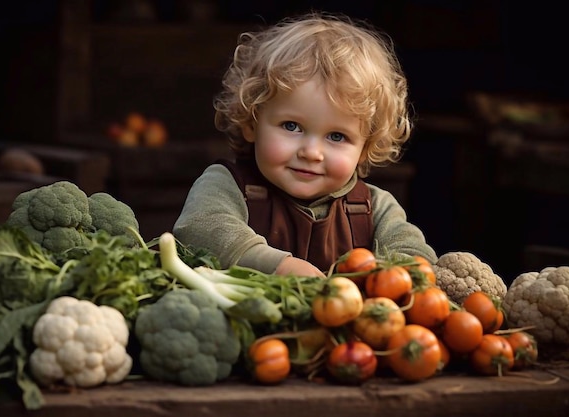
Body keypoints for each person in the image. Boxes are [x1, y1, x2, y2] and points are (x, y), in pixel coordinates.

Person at [173, 12, 437, 277]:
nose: (311, 153)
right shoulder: (226, 185)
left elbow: (414, 257)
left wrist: (389, 279)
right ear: (251, 123)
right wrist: (277, 266)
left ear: (365, 148)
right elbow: (201, 229)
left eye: (336, 136)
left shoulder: (375, 208)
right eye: (291, 126)